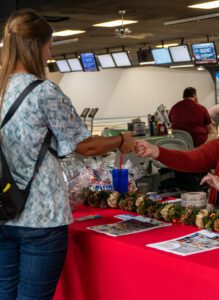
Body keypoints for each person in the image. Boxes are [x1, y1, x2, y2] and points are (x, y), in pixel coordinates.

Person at [0, 9, 135, 299]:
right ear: (36, 46)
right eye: (49, 46)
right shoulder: (44, 91)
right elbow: (85, 146)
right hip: (41, 216)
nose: (49, 53)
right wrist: (120, 139)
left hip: (2, 210)